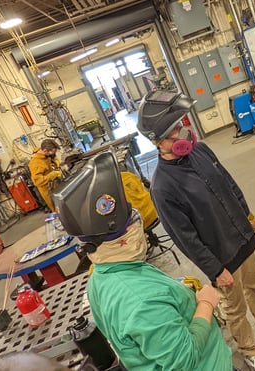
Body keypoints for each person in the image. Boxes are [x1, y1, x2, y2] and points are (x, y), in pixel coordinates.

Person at [137, 91, 255, 371]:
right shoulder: (163, 187)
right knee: (234, 308)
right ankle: (249, 349)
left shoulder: (200, 150)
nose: (183, 131)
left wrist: (247, 216)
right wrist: (214, 268)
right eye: (175, 130)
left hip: (241, 236)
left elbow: (228, 182)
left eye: (181, 124)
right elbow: (184, 237)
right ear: (159, 141)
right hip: (221, 256)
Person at [51, 151, 233, 371]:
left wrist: (175, 294)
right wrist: (206, 303)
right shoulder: (143, 302)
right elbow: (186, 359)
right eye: (132, 218)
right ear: (123, 236)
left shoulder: (100, 276)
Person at [28, 138, 62, 212]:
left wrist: (56, 164)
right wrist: (53, 174)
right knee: (60, 211)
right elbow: (38, 181)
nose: (53, 154)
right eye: (52, 153)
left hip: (56, 186)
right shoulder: (36, 163)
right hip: (49, 192)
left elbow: (54, 159)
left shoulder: (46, 155)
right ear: (45, 151)